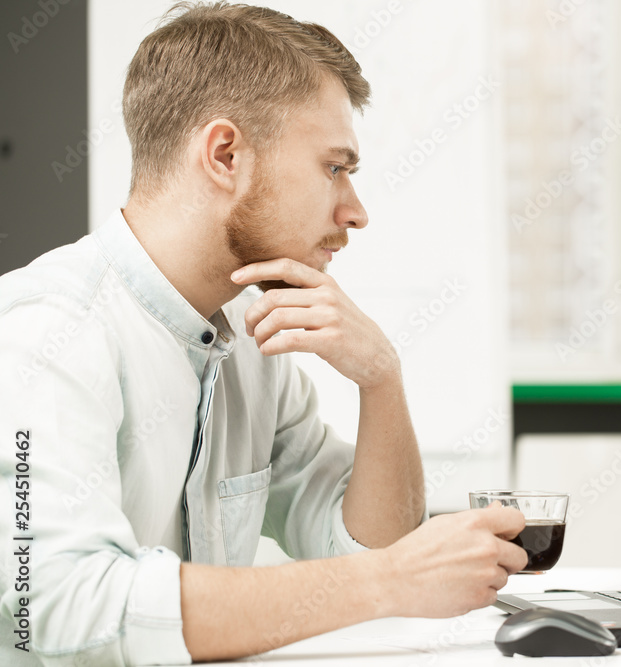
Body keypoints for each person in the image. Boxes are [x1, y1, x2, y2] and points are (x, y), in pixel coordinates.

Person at [0, 3, 527, 665]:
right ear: (224, 155)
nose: (355, 212)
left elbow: (366, 546)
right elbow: (62, 608)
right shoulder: (45, 337)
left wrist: (380, 379)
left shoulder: (249, 348)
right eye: (334, 167)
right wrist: (387, 582)